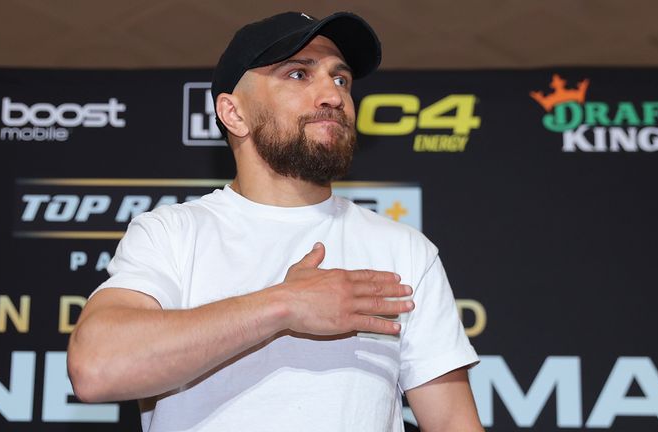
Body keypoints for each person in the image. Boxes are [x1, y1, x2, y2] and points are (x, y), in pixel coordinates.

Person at [67, 11, 483, 432]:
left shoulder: (403, 249)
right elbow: (96, 368)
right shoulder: (172, 233)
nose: (333, 96)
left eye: (341, 80)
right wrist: (284, 305)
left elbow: (453, 423)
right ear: (234, 113)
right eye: (299, 75)